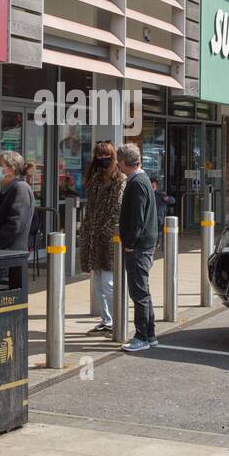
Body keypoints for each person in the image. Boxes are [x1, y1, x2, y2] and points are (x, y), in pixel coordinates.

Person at [79, 141, 125, 334]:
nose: (102, 159)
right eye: (98, 155)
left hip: (107, 238)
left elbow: (117, 208)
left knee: (108, 283)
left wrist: (106, 230)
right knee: (97, 284)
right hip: (92, 236)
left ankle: (117, 320)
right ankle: (106, 319)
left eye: (105, 156)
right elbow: (90, 206)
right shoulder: (95, 177)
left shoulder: (119, 179)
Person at [116, 143, 158, 352]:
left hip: (139, 247)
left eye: (118, 162)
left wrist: (130, 243)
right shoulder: (141, 181)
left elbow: (137, 218)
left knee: (138, 292)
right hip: (142, 245)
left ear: (123, 162)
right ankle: (149, 334)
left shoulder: (137, 183)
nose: (118, 166)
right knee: (143, 291)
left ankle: (142, 336)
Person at [0, 150, 34, 251]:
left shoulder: (20, 188)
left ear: (11, 169)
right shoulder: (9, 189)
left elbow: (15, 224)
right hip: (0, 253)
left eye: (0, 165)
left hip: (8, 254)